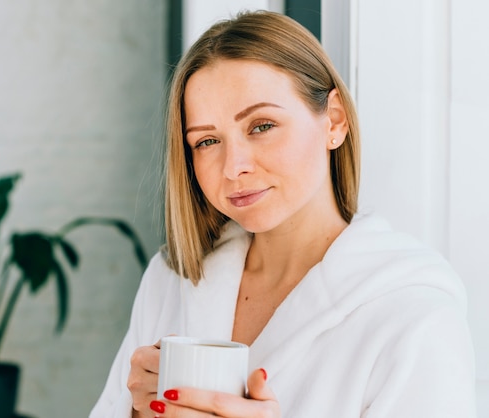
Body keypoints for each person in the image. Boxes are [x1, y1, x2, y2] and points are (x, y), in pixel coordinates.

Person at [90, 10, 476, 418]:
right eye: (206, 141)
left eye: (261, 126)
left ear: (335, 121)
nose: (232, 166)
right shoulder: (173, 278)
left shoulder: (413, 317)